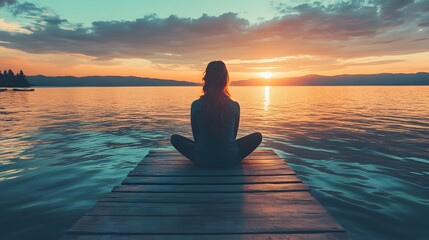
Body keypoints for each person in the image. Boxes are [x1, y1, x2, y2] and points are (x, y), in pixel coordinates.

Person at [170, 60, 262, 168]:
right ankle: (225, 152)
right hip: (230, 159)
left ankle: (210, 153)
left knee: (175, 138)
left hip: (202, 159)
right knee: (257, 137)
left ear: (206, 79)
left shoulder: (196, 105)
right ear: (225, 80)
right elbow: (233, 136)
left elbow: (197, 138)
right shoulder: (234, 105)